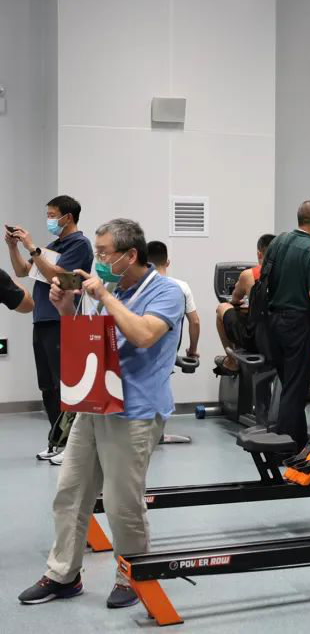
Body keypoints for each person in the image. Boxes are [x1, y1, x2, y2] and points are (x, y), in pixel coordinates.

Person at [17, 218, 185, 609]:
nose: (99, 261)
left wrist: (105, 297)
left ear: (131, 255)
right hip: (94, 405)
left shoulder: (166, 291)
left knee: (122, 502)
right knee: (70, 492)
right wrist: (66, 309)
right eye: (97, 253)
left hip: (135, 411)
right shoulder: (107, 290)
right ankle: (63, 574)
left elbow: (143, 335)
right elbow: (89, 342)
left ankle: (133, 575)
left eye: (105, 253)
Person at [5, 196, 94, 461]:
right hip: (42, 319)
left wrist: (33, 248)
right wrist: (13, 247)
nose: (49, 220)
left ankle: (72, 444)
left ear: (68, 217)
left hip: (62, 320)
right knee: (47, 385)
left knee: (64, 383)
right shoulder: (52, 246)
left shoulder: (80, 244)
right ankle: (56, 440)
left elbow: (59, 277)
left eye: (52, 215)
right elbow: (22, 271)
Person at [258, 201, 310, 447]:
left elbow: (264, 277)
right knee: (296, 386)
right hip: (298, 324)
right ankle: (286, 443)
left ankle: (298, 437)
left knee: (288, 381)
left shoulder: (278, 242)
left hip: (272, 322)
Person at [214, 233, 275, 375]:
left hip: (257, 339)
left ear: (259, 254)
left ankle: (232, 362)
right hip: (283, 335)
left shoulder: (249, 275)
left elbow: (235, 300)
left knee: (222, 308)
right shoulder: (288, 274)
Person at [147, 241, 199, 360]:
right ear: (168, 262)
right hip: (168, 353)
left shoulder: (139, 286)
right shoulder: (182, 286)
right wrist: (193, 350)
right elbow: (195, 322)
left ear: (145, 263)